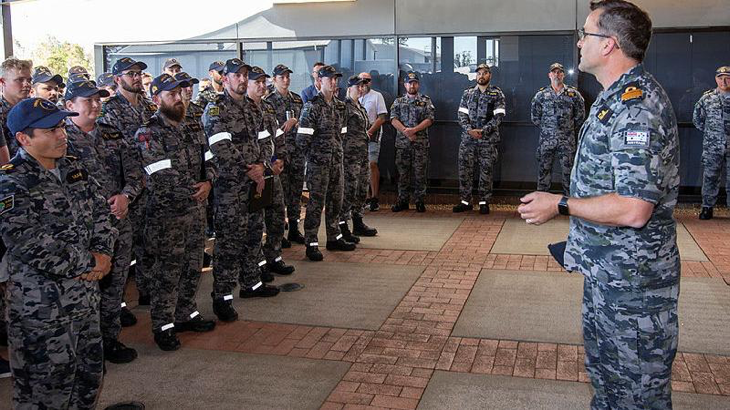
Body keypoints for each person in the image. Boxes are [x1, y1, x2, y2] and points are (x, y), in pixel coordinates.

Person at [518, 1, 681, 408]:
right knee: (608, 384)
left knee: (637, 393)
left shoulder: (638, 106)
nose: (578, 42)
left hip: (635, 285)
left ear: (608, 44)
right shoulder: (614, 99)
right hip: (609, 273)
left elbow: (633, 207)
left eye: (585, 34)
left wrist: (560, 204)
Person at [0, 97, 116, 408]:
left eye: (62, 126)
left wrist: (103, 253)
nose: (61, 134)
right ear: (24, 138)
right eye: (50, 130)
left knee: (88, 380)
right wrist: (90, 261)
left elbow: (102, 215)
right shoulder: (11, 180)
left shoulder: (74, 168)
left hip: (85, 299)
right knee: (45, 392)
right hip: (42, 308)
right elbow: (25, 240)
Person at [135, 74, 216, 351]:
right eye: (171, 95)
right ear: (156, 99)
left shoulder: (193, 127)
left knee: (194, 266)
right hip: (167, 216)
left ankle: (186, 312)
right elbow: (160, 172)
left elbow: (210, 159)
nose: (178, 99)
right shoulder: (147, 133)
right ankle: (163, 325)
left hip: (196, 212)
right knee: (167, 272)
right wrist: (195, 189)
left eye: (180, 94)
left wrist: (209, 181)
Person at [65, 80, 143, 364]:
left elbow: (137, 172)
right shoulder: (60, 141)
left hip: (118, 223)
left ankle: (109, 340)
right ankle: (84, 348)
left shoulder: (113, 135)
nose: (96, 105)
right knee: (85, 289)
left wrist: (126, 196)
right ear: (69, 106)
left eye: (98, 99)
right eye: (88, 100)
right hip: (82, 231)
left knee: (115, 284)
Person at [202, 58, 279, 322]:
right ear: (225, 79)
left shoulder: (253, 108)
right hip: (230, 186)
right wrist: (250, 168)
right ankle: (222, 297)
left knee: (254, 234)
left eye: (245, 75)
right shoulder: (215, 109)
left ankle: (251, 283)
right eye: (237, 76)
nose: (243, 80)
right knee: (229, 242)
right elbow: (219, 146)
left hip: (255, 183)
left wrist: (262, 165)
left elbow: (266, 140)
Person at [99, 57, 156, 321]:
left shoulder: (148, 106)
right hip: (124, 188)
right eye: (130, 73)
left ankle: (146, 289)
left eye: (139, 73)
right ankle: (117, 303)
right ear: (117, 79)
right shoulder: (109, 110)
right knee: (123, 248)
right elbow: (110, 154)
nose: (136, 77)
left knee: (148, 241)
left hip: (150, 184)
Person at [296, 65, 357, 261]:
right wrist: (315, 159)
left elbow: (343, 135)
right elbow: (302, 140)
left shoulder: (340, 107)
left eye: (335, 79)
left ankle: (334, 237)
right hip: (318, 166)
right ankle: (311, 243)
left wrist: (337, 155)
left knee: (335, 202)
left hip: (336, 163)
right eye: (329, 78)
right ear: (319, 81)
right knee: (315, 204)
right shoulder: (312, 106)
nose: (333, 82)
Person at [247, 66, 296, 278]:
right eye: (256, 82)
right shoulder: (243, 109)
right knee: (255, 224)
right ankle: (257, 265)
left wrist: (280, 159)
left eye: (262, 81)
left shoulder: (266, 108)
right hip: (253, 175)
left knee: (277, 215)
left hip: (272, 171)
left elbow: (277, 135)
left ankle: (274, 257)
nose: (261, 85)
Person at [453, 63, 506, 214]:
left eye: (484, 73)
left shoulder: (497, 94)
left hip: (487, 140)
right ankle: (465, 201)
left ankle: (484, 201)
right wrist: (469, 130)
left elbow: (499, 116)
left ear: (490, 75)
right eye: (479, 73)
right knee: (465, 170)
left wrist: (483, 130)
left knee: (486, 171)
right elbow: (461, 114)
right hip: (468, 139)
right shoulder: (468, 93)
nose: (481, 76)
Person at [264, 64, 306, 245]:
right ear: (274, 80)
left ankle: (295, 229)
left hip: (295, 152)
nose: (286, 80)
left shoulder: (297, 100)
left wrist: (295, 120)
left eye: (288, 76)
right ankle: (278, 233)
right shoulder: (269, 102)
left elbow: (306, 120)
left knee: (295, 192)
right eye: (282, 77)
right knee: (278, 195)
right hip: (278, 154)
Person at [530, 63, 586, 195]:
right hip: (546, 140)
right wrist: (548, 129)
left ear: (563, 75)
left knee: (568, 172)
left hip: (567, 140)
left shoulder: (573, 94)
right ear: (549, 75)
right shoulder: (541, 95)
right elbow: (535, 116)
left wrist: (567, 129)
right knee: (544, 170)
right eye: (554, 72)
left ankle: (569, 202)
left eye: (559, 72)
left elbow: (580, 115)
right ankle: (542, 201)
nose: (557, 74)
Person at [390, 71, 435, 213]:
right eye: (409, 83)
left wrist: (414, 130)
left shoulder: (425, 100)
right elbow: (393, 119)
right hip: (403, 144)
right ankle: (402, 200)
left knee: (420, 173)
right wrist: (406, 131)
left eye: (414, 82)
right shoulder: (398, 101)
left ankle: (419, 201)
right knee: (403, 174)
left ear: (418, 84)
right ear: (405, 85)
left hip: (420, 144)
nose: (412, 85)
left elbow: (430, 119)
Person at [340, 75, 377, 243]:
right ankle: (343, 226)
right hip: (350, 156)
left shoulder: (360, 107)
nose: (361, 89)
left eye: (362, 86)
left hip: (362, 154)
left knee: (361, 189)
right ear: (349, 88)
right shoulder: (345, 107)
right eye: (358, 87)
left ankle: (358, 221)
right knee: (349, 191)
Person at [692, 65, 730, 220]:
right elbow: (697, 119)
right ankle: (707, 207)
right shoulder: (707, 98)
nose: (724, 81)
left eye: (727, 78)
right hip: (712, 146)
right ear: (716, 79)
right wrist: (712, 134)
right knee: (710, 177)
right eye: (720, 78)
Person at [358, 71, 388, 213]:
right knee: (360, 166)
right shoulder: (353, 94)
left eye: (367, 80)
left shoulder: (377, 96)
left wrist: (370, 131)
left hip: (373, 134)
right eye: (362, 80)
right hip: (356, 136)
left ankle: (375, 197)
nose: (364, 83)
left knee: (372, 163)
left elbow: (382, 117)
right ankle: (366, 197)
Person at [0, 57, 32, 159]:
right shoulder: (1, 112)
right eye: (20, 80)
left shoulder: (33, 109)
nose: (27, 84)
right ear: (2, 82)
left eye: (29, 80)